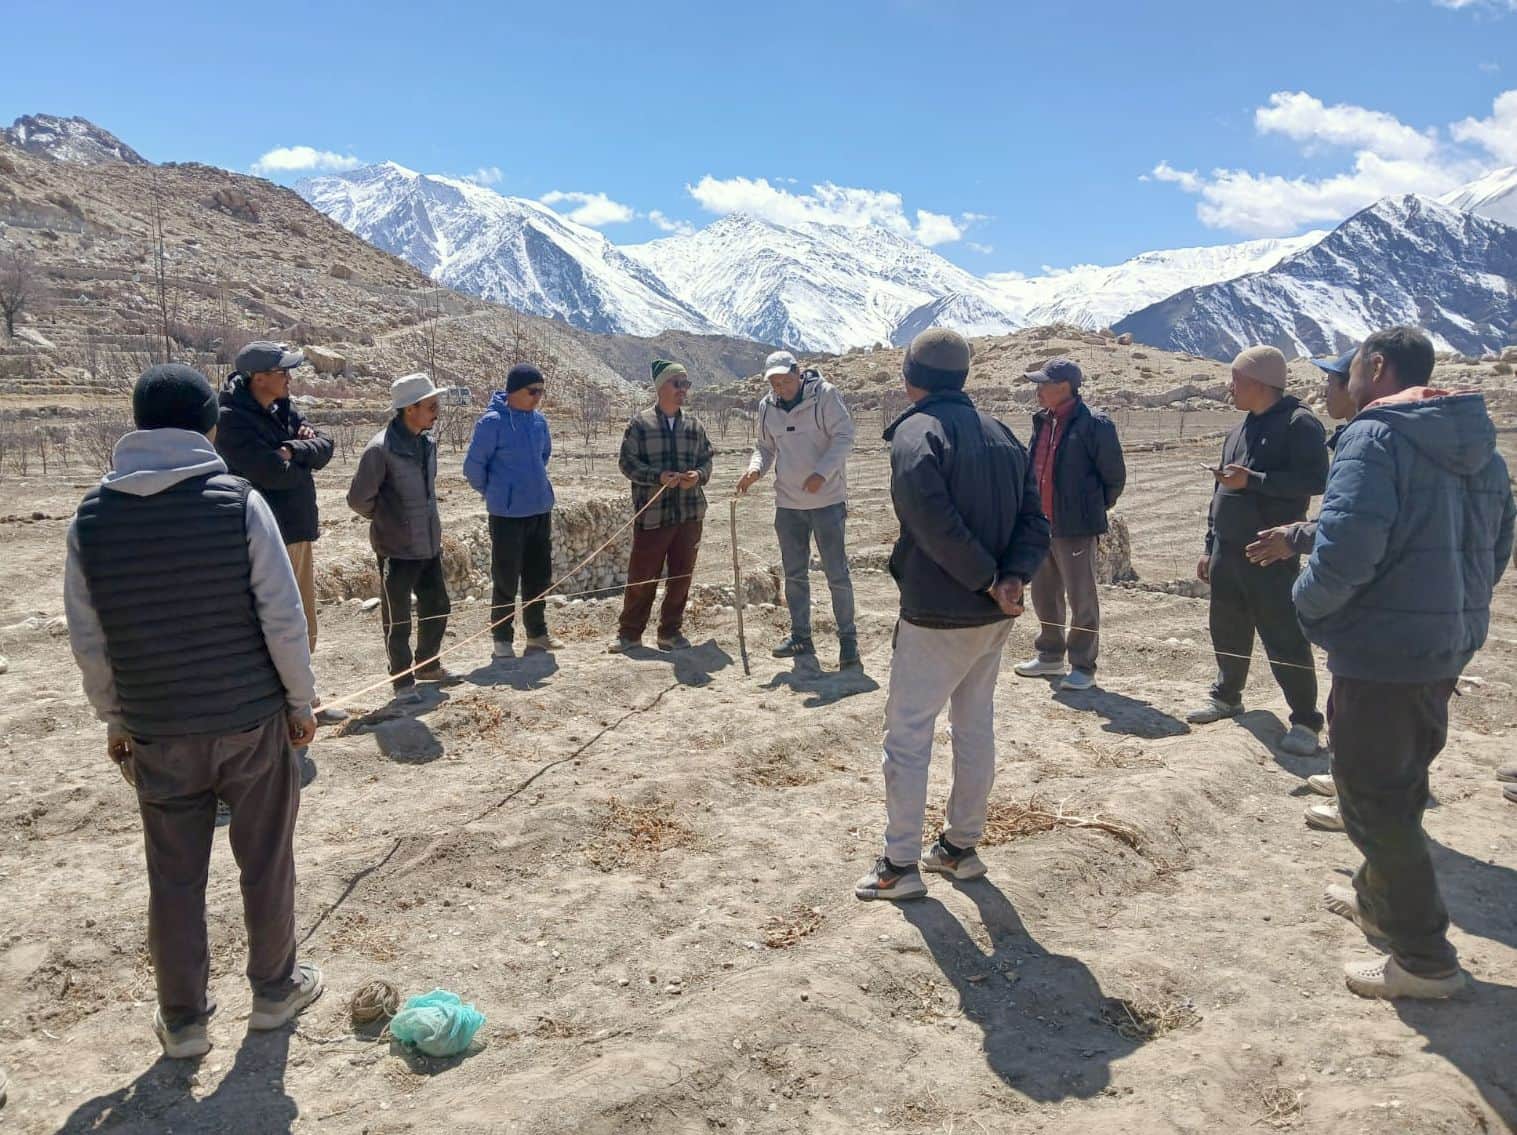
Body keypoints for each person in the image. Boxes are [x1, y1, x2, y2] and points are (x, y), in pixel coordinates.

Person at [64, 364, 324, 1059]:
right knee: (265, 859)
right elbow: (283, 617)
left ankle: (183, 1022)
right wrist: (301, 702)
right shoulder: (237, 502)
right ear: (210, 425)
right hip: (249, 721)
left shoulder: (91, 517)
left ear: (138, 424)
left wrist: (115, 717)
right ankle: (274, 991)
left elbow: (89, 638)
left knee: (174, 877)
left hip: (157, 729)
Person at [1293, 326, 1514, 999]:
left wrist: (1309, 611)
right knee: (1398, 782)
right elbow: (1497, 543)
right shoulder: (1480, 444)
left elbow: (1344, 552)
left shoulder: (1374, 435)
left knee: (1373, 803)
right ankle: (1375, 899)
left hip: (1382, 653)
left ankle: (1423, 961)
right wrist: (1457, 614)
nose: (1346, 379)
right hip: (1440, 645)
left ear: (1377, 365)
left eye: (1352, 365)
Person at [855, 329, 1050, 901]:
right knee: (973, 726)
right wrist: (1011, 578)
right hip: (994, 616)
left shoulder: (917, 434)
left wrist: (989, 579)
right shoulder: (1002, 435)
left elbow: (930, 522)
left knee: (909, 736)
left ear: (911, 376)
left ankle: (899, 864)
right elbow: (1035, 519)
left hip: (940, 611)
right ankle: (960, 848)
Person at [1187, 345, 1327, 757]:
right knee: (1226, 628)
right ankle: (1227, 696)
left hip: (1271, 552)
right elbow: (1221, 491)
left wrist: (1255, 481)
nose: (1230, 388)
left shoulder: (1300, 424)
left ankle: (1305, 720)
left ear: (1258, 383)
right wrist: (1209, 545)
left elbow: (1315, 480)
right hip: (1227, 552)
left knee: (1283, 636)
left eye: (1235, 380)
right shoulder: (1238, 430)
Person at [1244, 345, 1358, 832]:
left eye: (1334, 379)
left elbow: (1352, 520)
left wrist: (1295, 538)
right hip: (1279, 552)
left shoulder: (1310, 427)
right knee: (1354, 687)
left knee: (1369, 692)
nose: (1326, 388)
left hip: (1355, 587)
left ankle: (1362, 798)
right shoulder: (1353, 435)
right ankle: (1354, 777)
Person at [216, 341, 347, 728]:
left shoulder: (281, 409)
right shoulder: (233, 420)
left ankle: (303, 699)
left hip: (295, 529)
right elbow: (271, 472)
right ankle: (281, 709)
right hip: (265, 534)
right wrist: (296, 455)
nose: (290, 379)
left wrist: (292, 449)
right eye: (282, 373)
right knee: (278, 622)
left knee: (303, 619)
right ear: (259, 379)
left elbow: (324, 446)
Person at [736, 350, 860, 669]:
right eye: (775, 383)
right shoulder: (767, 407)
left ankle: (848, 640)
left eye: (785, 380)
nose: (781, 387)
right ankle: (801, 637)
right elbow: (765, 447)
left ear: (798, 373)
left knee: (837, 574)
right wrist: (754, 470)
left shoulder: (825, 396)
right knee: (794, 575)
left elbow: (844, 436)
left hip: (827, 501)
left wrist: (823, 472)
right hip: (788, 505)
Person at [1011, 358, 1125, 691]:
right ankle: (1049, 655)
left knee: (1081, 597)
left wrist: (1089, 509)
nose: (1037, 391)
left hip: (1076, 527)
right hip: (1041, 525)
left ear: (1063, 387)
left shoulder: (1095, 425)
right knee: (1045, 594)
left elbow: (1113, 478)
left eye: (1043, 384)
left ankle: (1083, 665)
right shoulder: (1042, 422)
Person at [347, 373, 459, 704]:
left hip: (427, 544)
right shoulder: (380, 450)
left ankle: (427, 665)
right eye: (431, 406)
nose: (437, 412)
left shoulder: (428, 444)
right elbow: (358, 499)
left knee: (438, 605)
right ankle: (401, 679)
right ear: (410, 409)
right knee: (398, 619)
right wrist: (386, 519)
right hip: (396, 548)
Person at [611, 359, 713, 653]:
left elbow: (707, 460)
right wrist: (657, 478)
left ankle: (670, 632)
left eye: (686, 384)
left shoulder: (695, 426)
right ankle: (629, 634)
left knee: (682, 576)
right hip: (653, 514)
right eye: (677, 384)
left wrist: (697, 476)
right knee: (642, 575)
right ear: (661, 388)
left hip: (690, 513)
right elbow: (627, 463)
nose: (683, 390)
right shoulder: (640, 425)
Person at [464, 362, 561, 660]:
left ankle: (537, 634)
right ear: (514, 392)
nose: (538, 397)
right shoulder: (491, 423)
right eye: (533, 391)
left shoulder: (538, 421)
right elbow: (473, 468)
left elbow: (543, 455)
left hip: (539, 509)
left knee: (538, 575)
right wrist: (496, 493)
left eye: (542, 392)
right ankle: (502, 640)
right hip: (507, 516)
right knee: (506, 579)